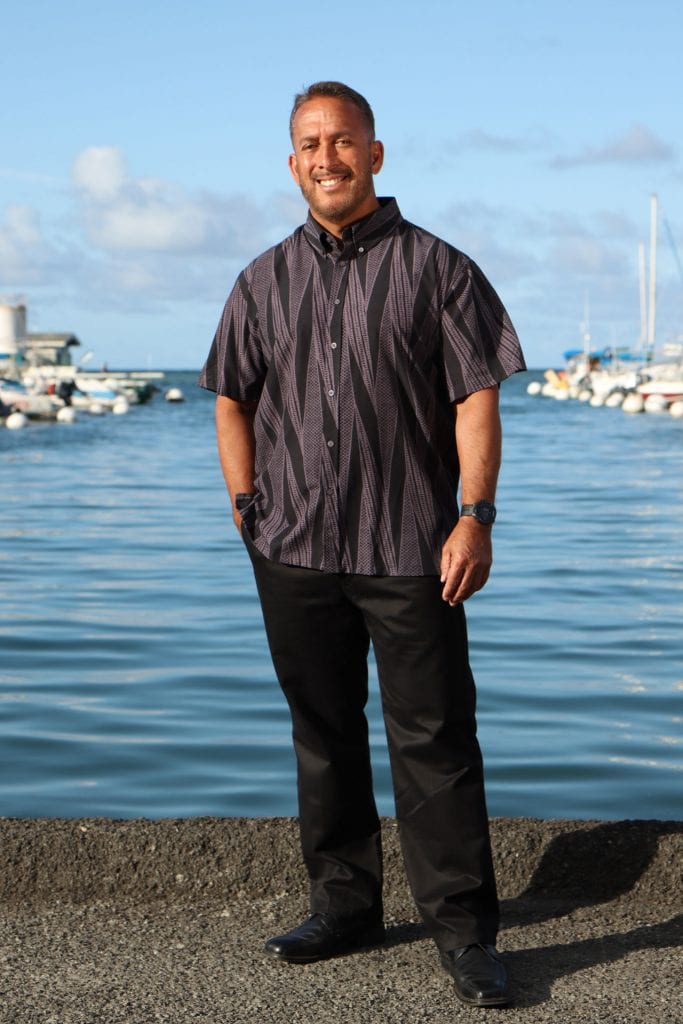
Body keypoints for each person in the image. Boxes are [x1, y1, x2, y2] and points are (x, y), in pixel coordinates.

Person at [199, 81, 526, 1009]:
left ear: (375, 155)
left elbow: (476, 397)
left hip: (412, 547)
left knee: (435, 741)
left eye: (342, 141)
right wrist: (246, 501)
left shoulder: (438, 269)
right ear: (291, 161)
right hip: (294, 547)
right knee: (324, 733)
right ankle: (343, 909)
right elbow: (231, 395)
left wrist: (476, 514)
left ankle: (464, 936)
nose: (326, 157)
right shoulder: (261, 278)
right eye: (309, 143)